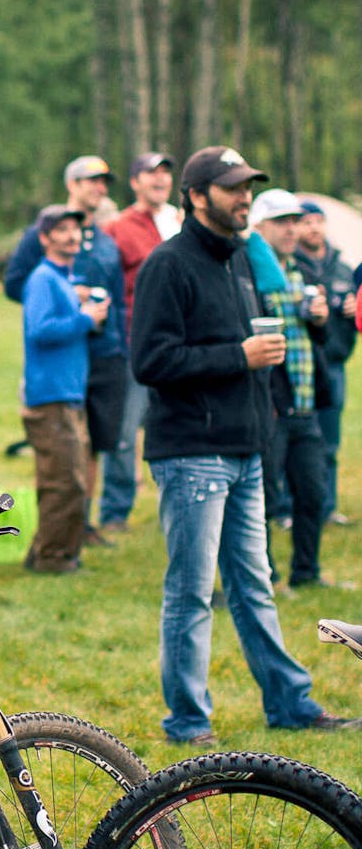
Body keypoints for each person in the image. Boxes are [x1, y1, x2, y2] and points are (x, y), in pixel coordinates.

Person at [131, 145, 358, 744]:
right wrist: (239, 357)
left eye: (247, 187)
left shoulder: (239, 262)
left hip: (244, 450)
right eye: (232, 188)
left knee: (254, 584)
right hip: (191, 454)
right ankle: (187, 720)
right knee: (191, 592)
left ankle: (289, 702)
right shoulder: (169, 265)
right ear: (197, 196)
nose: (244, 197)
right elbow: (150, 361)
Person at [5, 156, 127, 546]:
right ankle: (56, 545)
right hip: (59, 366)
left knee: (88, 448)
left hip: (101, 353)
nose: (100, 188)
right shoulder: (43, 246)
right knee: (62, 461)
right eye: (92, 180)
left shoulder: (104, 240)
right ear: (72, 183)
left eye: (104, 182)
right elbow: (24, 294)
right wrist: (70, 306)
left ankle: (80, 527)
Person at [247, 189, 331, 590]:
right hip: (270, 407)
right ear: (259, 227)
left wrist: (320, 319)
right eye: (281, 222)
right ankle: (262, 577)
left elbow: (320, 338)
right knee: (262, 498)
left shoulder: (301, 271)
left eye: (295, 221)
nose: (291, 229)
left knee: (313, 495)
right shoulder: (247, 274)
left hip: (305, 403)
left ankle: (307, 573)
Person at [21, 205, 109, 575]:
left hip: (68, 393)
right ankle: (53, 559)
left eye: (76, 229)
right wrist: (86, 318)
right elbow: (40, 330)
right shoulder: (42, 278)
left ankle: (51, 552)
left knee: (68, 478)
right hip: (50, 396)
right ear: (45, 238)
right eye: (62, 230)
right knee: (64, 481)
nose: (72, 235)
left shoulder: (62, 278)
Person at [99, 152, 180, 531]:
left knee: (178, 426)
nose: (160, 180)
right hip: (135, 342)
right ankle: (115, 511)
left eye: (165, 173)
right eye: (151, 174)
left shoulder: (179, 222)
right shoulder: (119, 227)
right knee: (125, 433)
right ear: (135, 182)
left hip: (180, 342)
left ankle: (180, 501)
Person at [295, 199, 357, 525]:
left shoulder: (343, 267)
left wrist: (351, 310)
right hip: (302, 365)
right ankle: (290, 507)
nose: (313, 227)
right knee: (298, 437)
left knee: (329, 442)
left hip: (334, 365)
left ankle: (327, 507)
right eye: (306, 222)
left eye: (318, 221)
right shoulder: (289, 265)